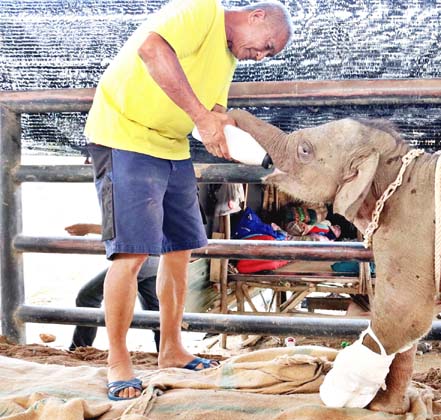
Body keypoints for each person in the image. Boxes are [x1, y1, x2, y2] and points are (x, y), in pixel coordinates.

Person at [83, 0, 293, 401]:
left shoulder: (228, 58)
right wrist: (201, 117)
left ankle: (172, 349)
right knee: (131, 255)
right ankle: (118, 361)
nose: (261, 56)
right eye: (266, 46)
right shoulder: (202, 11)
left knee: (181, 249)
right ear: (257, 15)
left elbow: (214, 111)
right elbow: (151, 48)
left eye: (268, 55)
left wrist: (245, 140)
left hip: (172, 146)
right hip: (124, 137)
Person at [66, 223, 161, 352]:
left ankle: (80, 348)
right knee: (154, 310)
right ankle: (164, 350)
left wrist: (89, 228)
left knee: (87, 297)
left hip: (139, 257)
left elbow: (129, 230)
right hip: (155, 257)